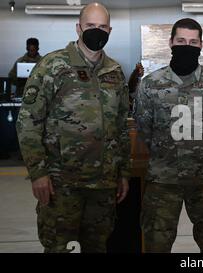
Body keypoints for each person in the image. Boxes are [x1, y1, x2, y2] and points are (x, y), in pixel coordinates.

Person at [16, 2, 130, 253]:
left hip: (103, 185)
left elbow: (121, 126)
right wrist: (38, 172)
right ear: (78, 28)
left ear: (110, 30)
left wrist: (123, 172)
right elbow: (28, 122)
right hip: (61, 183)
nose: (96, 31)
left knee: (96, 246)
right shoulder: (52, 66)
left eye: (102, 26)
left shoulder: (115, 72)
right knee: (61, 247)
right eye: (90, 26)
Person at [134, 18, 203, 253]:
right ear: (170, 43)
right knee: (157, 244)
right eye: (181, 41)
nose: (186, 46)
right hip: (163, 181)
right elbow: (144, 129)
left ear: (200, 45)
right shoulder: (150, 85)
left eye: (192, 42)